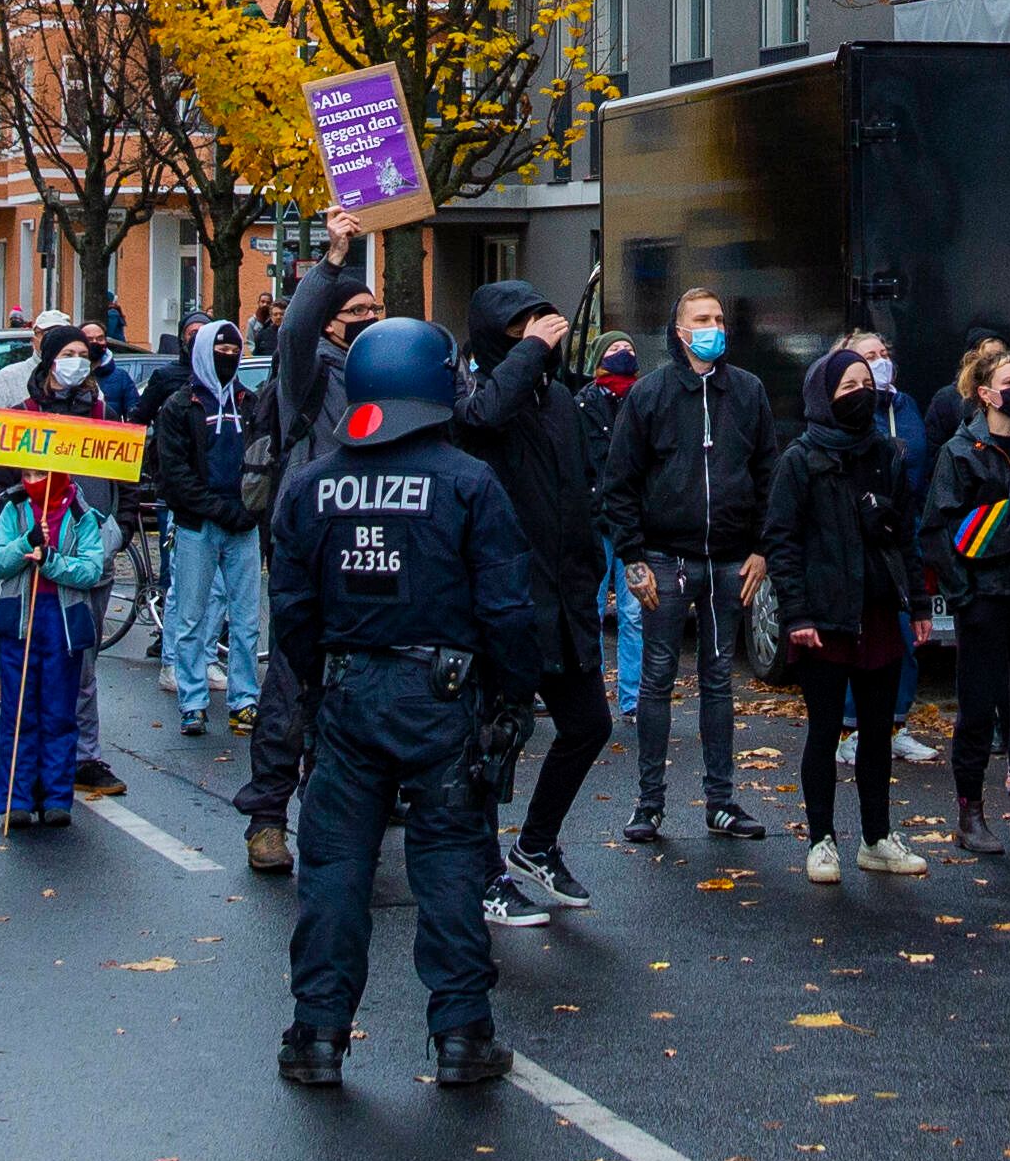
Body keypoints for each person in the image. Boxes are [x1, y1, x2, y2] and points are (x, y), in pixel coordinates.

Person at [270, 318, 550, 1090]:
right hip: (442, 696)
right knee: (452, 863)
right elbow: (506, 609)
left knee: (334, 867)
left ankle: (316, 1036)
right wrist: (512, 698)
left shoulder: (313, 484)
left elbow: (290, 609)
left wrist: (319, 686)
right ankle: (462, 1037)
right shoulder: (467, 482)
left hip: (348, 692)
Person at [450, 281, 614, 918]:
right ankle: (484, 877)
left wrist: (588, 575)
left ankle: (535, 847)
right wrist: (524, 355)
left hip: (564, 599)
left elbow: (579, 494)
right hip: (507, 604)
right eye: (524, 324)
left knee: (588, 726)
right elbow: (482, 418)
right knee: (494, 742)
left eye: (545, 319)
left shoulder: (560, 401)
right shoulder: (476, 392)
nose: (542, 332)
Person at [234, 241, 384, 874]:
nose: (370, 318)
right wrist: (329, 262)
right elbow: (292, 327)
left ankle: (334, 808)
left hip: (370, 546)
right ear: (329, 320)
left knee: (354, 685)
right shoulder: (308, 368)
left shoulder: (382, 375)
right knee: (293, 684)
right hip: (310, 546)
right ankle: (268, 817)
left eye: (377, 308)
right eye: (357, 309)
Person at [607, 286, 774, 845]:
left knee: (719, 681)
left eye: (720, 317)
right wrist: (632, 558)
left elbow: (768, 472)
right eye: (702, 319)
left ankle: (721, 802)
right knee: (657, 680)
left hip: (730, 559)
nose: (714, 326)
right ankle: (648, 805)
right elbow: (620, 482)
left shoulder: (748, 392)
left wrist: (761, 547)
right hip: (664, 558)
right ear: (679, 332)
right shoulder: (650, 395)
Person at [766, 343, 930, 884]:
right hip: (823, 616)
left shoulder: (886, 452)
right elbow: (783, 543)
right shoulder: (801, 458)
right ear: (823, 396)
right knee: (824, 729)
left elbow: (904, 533)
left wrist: (918, 604)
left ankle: (877, 837)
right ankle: (821, 841)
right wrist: (797, 614)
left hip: (879, 611)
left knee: (878, 730)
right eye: (848, 388)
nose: (861, 395)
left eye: (867, 385)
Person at [0, 333, 118, 833]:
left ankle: (60, 789)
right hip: (21, 617)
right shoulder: (19, 496)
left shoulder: (99, 411)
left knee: (64, 700)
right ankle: (15, 794)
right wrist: (21, 543)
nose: (78, 364)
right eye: (68, 355)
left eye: (85, 356)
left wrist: (65, 554)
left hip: (64, 613)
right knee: (20, 711)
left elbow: (109, 503)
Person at [928, 348, 1010, 855]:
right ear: (985, 393)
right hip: (985, 599)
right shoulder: (961, 453)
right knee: (978, 709)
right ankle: (970, 813)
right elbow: (937, 531)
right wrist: (964, 594)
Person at [152, 319, 265, 737]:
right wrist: (219, 509)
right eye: (220, 349)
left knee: (246, 618)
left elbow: (264, 460)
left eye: (235, 350)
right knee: (191, 616)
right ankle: (193, 701)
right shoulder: (180, 407)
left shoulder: (249, 403)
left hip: (244, 524)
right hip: (198, 525)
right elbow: (175, 475)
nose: (228, 357)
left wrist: (254, 511)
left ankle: (244, 700)